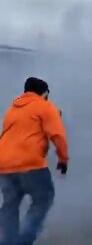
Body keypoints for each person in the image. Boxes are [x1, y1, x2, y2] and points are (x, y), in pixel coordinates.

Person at [0, 77, 69, 245]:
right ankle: (22, 240)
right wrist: (63, 159)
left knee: (10, 205)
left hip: (4, 166)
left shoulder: (12, 110)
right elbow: (57, 135)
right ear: (44, 93)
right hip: (30, 165)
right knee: (44, 199)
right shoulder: (45, 107)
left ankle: (8, 241)